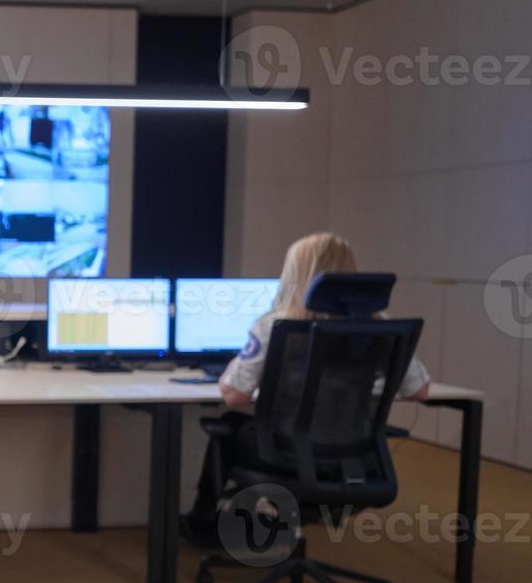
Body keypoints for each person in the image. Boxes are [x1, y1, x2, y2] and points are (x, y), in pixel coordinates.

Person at [182, 232, 431, 543]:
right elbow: (420, 391)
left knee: (230, 425)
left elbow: (234, 396)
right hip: (355, 459)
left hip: (283, 456)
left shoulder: (277, 326)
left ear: (294, 275)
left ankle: (203, 522)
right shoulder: (383, 328)